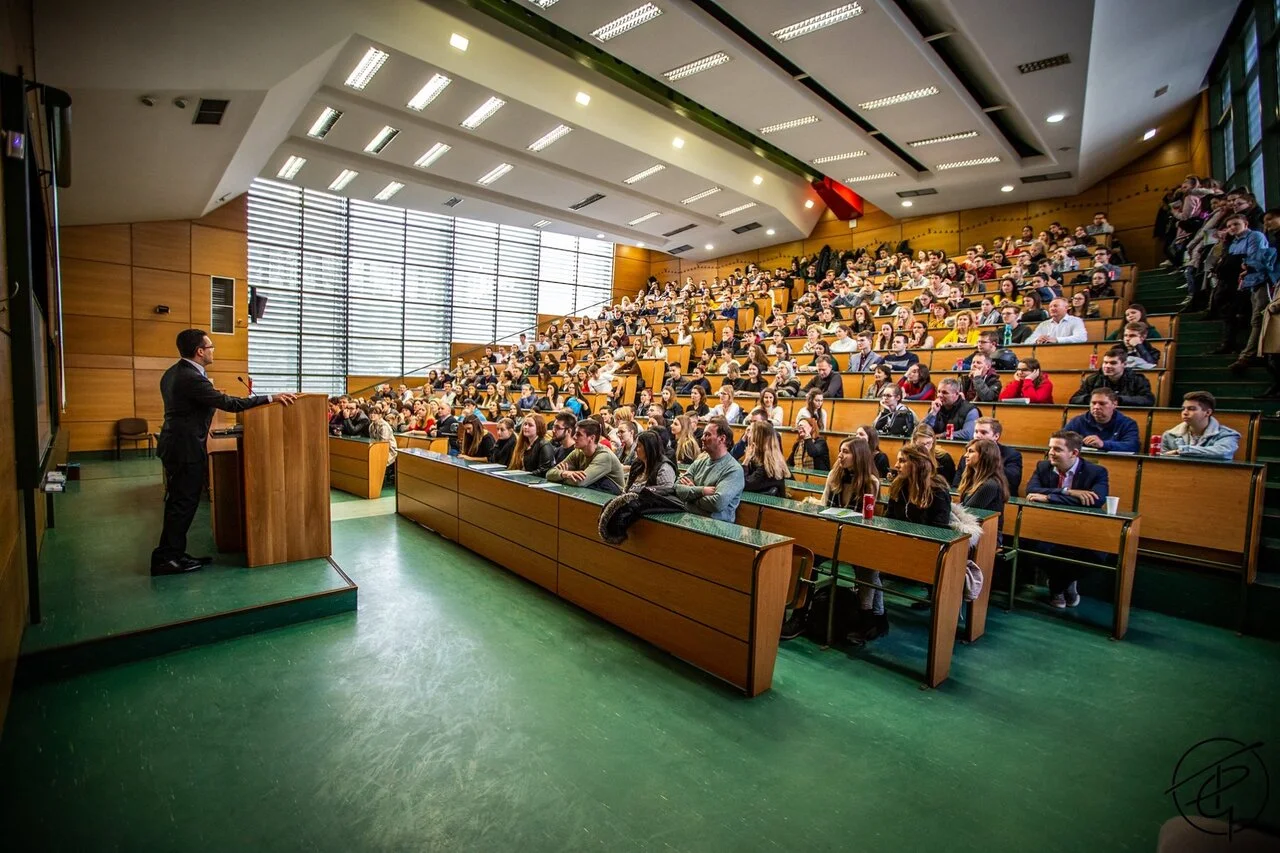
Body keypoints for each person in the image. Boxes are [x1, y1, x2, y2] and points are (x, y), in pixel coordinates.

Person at [151, 329, 297, 575]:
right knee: (182, 504)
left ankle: (174, 553)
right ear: (200, 351)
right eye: (210, 347)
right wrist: (270, 398)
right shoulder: (191, 377)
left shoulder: (173, 373)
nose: (213, 350)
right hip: (185, 448)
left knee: (180, 503)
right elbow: (229, 403)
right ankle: (166, 558)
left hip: (177, 445)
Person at [848, 445, 950, 645]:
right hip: (897, 545)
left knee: (868, 565)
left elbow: (940, 531)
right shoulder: (899, 486)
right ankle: (872, 618)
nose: (896, 465)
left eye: (902, 461)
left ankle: (873, 618)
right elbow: (890, 520)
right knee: (863, 558)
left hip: (925, 551)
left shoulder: (938, 490)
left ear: (918, 464)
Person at [1025, 431, 1110, 608]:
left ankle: (1058, 586)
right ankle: (1062, 587)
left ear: (1074, 453)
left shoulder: (1096, 472)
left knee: (1097, 555)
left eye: (1057, 449)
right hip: (1047, 526)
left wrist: (1049, 497)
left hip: (1082, 528)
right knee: (1035, 547)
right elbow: (1031, 491)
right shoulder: (1043, 467)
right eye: (1050, 448)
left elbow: (1096, 500)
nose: (1051, 453)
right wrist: (1068, 492)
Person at [673, 418, 744, 522]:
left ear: (722, 439)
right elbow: (677, 488)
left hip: (715, 526)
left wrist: (691, 494)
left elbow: (717, 503)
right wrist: (701, 491)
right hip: (689, 519)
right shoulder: (699, 462)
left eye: (707, 435)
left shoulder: (734, 470)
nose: (702, 438)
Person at [545, 418, 626, 494]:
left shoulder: (604, 456)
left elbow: (580, 482)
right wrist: (564, 473)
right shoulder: (578, 452)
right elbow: (549, 474)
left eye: (578, 434)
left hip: (613, 497)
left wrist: (559, 477)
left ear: (592, 438)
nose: (574, 437)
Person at [1159, 391, 1241, 460]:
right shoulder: (1169, 435)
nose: (1185, 412)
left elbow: (1223, 452)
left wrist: (1181, 451)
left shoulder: (1227, 435)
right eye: (1183, 408)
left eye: (1191, 409)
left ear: (1208, 412)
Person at [953, 417, 1022, 496]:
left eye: (983, 432)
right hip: (970, 496)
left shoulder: (1011, 455)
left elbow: (1012, 482)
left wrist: (986, 461)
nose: (978, 436)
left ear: (996, 436)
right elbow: (956, 484)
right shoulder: (967, 456)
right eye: (976, 432)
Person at [1068, 347, 1155, 406]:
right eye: (1105, 362)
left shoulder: (1138, 379)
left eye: (1113, 363)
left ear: (1124, 364)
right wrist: (1093, 399)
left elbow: (1148, 400)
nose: (1107, 366)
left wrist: (1119, 399)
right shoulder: (1093, 379)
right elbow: (1074, 400)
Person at [1064, 388, 1140, 453]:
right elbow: (1062, 440)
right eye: (1093, 403)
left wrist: (1103, 444)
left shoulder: (1127, 424)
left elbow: (1133, 446)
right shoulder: (1078, 421)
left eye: (1102, 403)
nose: (1096, 407)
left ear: (1114, 404)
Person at [956, 439, 1010, 516]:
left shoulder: (990, 484)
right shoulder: (973, 479)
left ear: (984, 455)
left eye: (971, 451)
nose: (965, 455)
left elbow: (968, 512)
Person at [741, 421, 790, 496]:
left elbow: (742, 484)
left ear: (758, 439)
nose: (748, 436)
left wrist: (746, 461)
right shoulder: (768, 459)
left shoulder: (767, 466)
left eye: (751, 432)